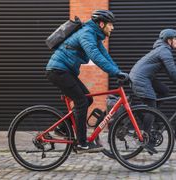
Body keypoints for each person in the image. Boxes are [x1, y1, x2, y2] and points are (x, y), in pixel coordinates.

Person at [45, 10, 128, 153]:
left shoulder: (95, 35)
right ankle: (82, 143)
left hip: (65, 72)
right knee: (82, 101)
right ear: (101, 24)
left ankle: (63, 128)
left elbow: (105, 56)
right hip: (58, 71)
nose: (112, 28)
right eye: (110, 25)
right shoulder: (87, 33)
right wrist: (115, 72)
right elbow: (95, 55)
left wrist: (118, 72)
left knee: (87, 99)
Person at [129, 29, 176, 153]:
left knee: (164, 90)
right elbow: (173, 72)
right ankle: (145, 139)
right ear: (169, 40)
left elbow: (171, 73)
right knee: (152, 107)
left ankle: (153, 117)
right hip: (140, 79)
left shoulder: (163, 50)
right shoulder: (164, 51)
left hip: (144, 78)